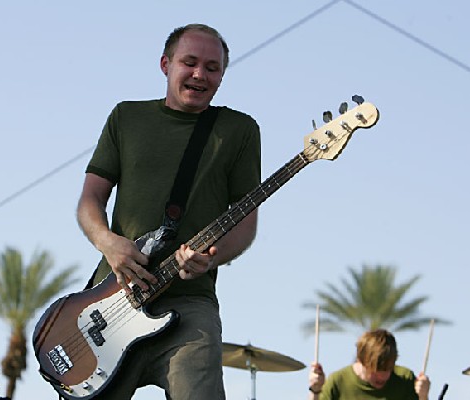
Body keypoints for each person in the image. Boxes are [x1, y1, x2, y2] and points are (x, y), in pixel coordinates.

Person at [76, 23, 261, 399]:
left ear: (222, 75)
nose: (199, 74)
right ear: (165, 64)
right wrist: (108, 242)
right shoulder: (126, 117)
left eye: (212, 67)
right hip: (111, 297)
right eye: (189, 62)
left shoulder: (239, 130)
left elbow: (246, 221)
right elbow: (90, 200)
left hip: (190, 302)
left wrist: (211, 258)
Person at [307, 329, 431, 400]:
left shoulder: (405, 379)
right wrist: (315, 390)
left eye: (387, 370)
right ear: (360, 361)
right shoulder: (338, 381)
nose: (382, 377)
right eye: (375, 371)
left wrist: (423, 397)